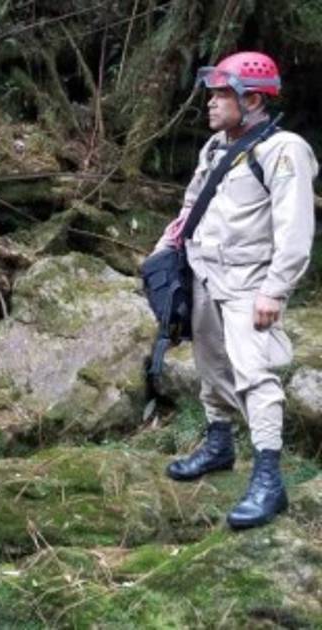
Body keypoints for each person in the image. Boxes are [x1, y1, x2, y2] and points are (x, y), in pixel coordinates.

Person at [153, 52, 317, 529]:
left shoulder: (283, 151)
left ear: (253, 100)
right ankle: (219, 443)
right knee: (211, 365)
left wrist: (275, 290)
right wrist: (166, 251)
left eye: (223, 94)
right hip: (205, 273)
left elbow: (294, 230)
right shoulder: (214, 148)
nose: (211, 102)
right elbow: (191, 206)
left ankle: (268, 478)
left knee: (255, 373)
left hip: (251, 282)